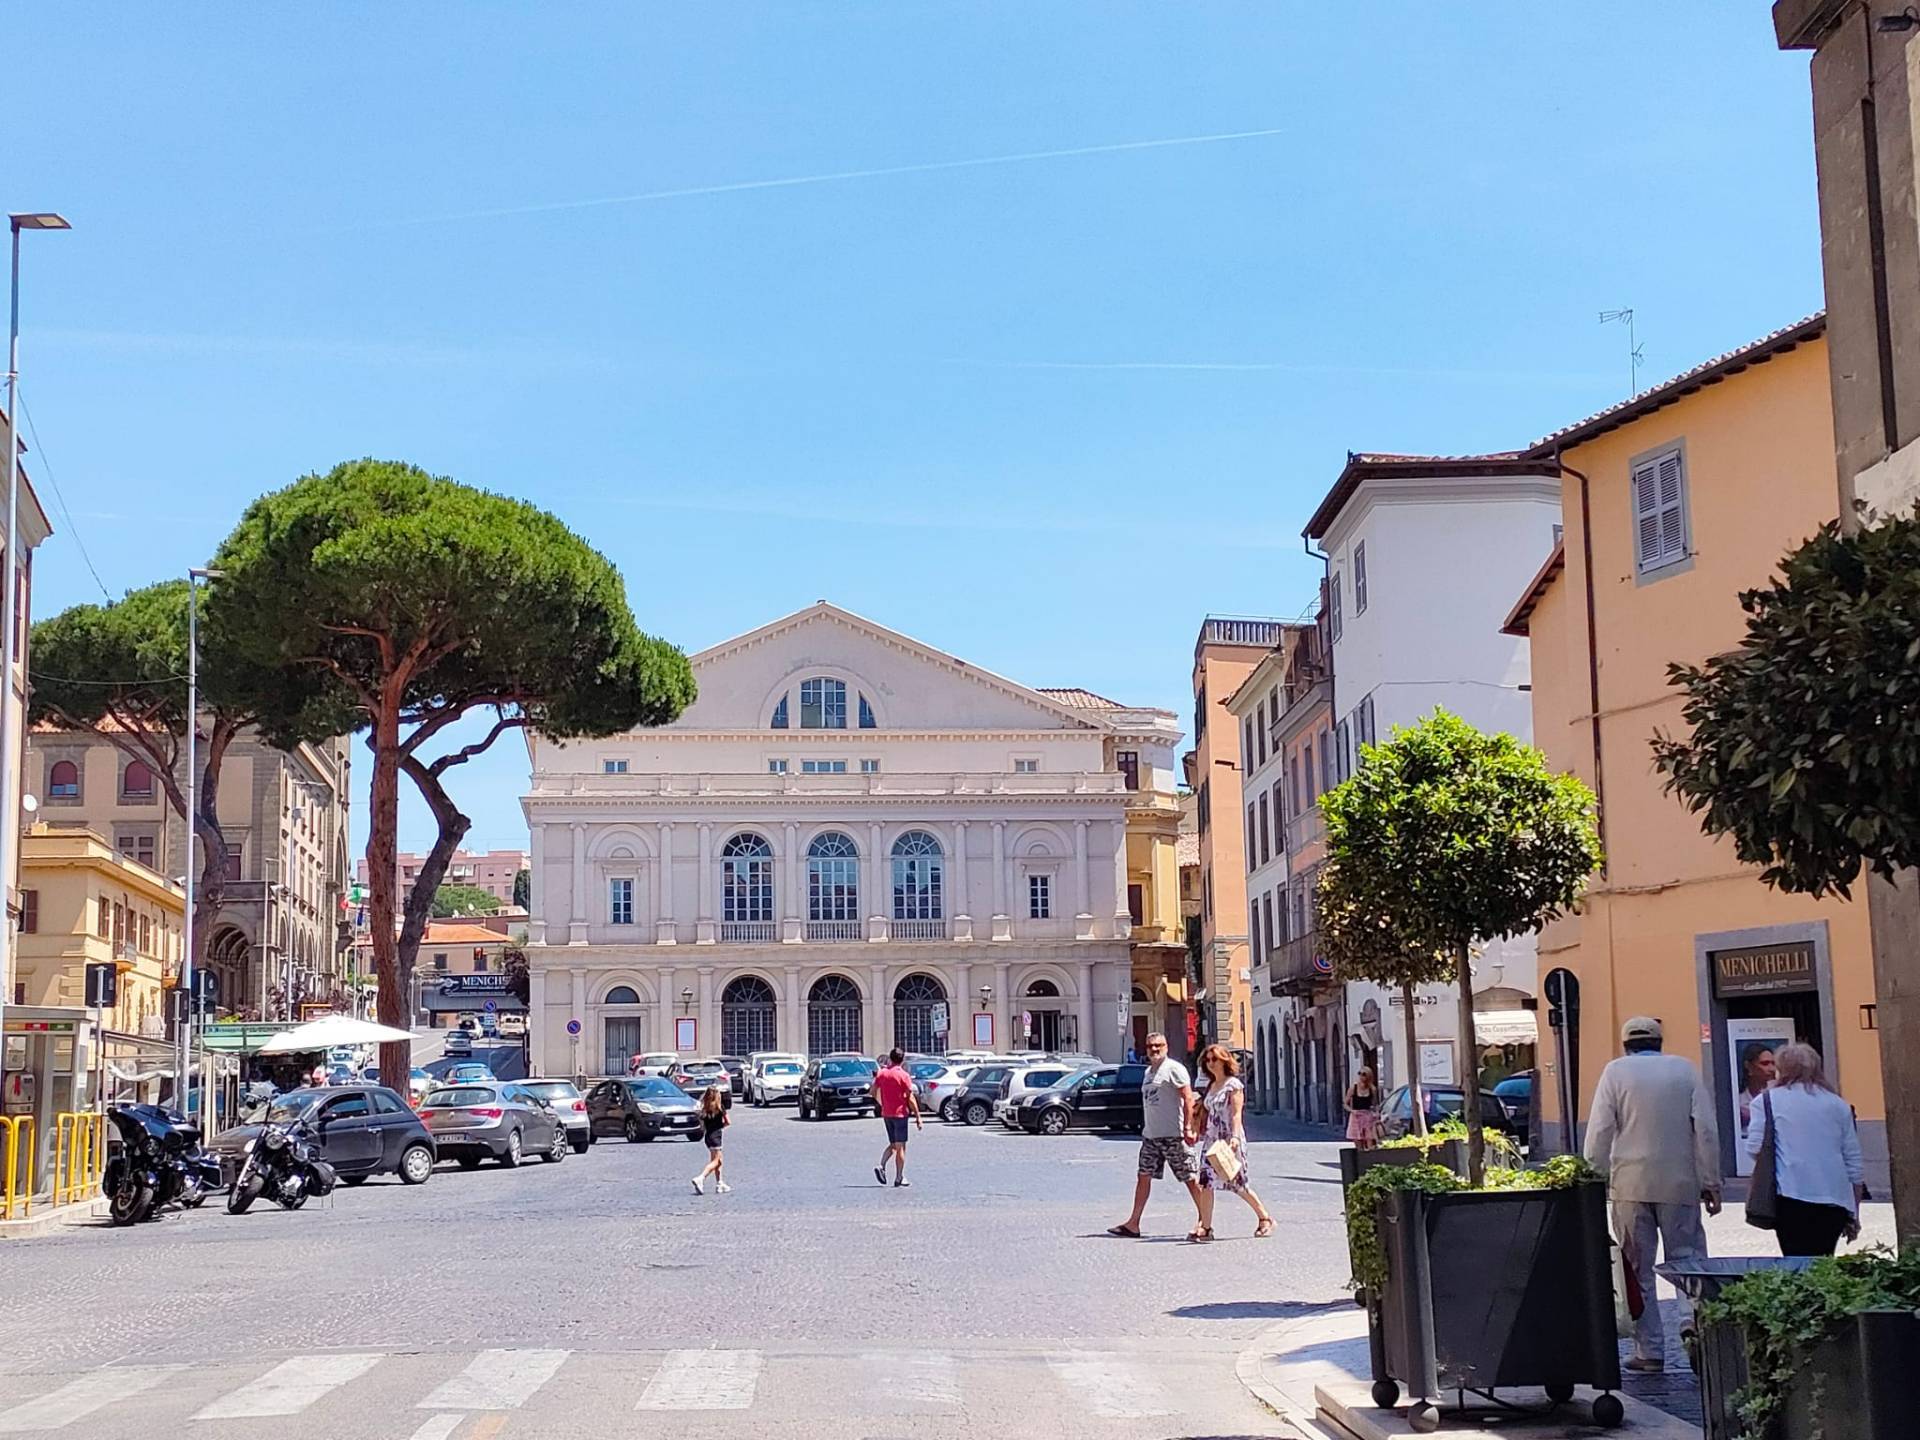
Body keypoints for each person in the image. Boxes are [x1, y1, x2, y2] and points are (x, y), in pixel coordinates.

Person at [1584, 1016, 1721, 1374]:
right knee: (1688, 1260)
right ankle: (1692, 1322)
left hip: (1630, 1183)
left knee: (1637, 1268)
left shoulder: (1615, 1072)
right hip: (1679, 1182)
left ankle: (1651, 1351)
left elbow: (1600, 1129)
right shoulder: (1685, 1070)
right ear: (1660, 1041)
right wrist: (1711, 1180)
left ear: (1626, 1043)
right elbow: (1705, 1128)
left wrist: (1591, 1177)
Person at [1741, 1042, 1863, 1257]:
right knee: (1824, 1262)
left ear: (1782, 1068)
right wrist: (1854, 1211)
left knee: (1796, 1262)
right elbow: (1853, 1162)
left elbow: (1755, 1148)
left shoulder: (1767, 1101)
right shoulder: (1837, 1104)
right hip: (1834, 1197)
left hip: (1791, 1194)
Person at [1108, 1032, 1206, 1239]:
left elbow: (1188, 1098)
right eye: (1151, 1046)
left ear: (1166, 1046)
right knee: (1143, 1176)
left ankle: (1204, 1221)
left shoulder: (1174, 1069)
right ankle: (1133, 1223)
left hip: (1174, 1135)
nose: (1154, 1049)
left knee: (1190, 1178)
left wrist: (1189, 1128)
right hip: (1151, 1136)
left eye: (1158, 1045)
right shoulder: (1148, 1073)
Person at [1193, 1044, 1274, 1240]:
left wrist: (1235, 1137)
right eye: (1208, 1060)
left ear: (1225, 1060)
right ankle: (1206, 1227)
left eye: (1215, 1059)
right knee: (1205, 1183)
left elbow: (1237, 1114)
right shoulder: (1211, 1086)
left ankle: (1265, 1218)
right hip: (1211, 1141)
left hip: (1229, 1139)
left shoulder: (1233, 1085)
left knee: (1237, 1183)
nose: (1211, 1063)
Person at [873, 1048, 922, 1187]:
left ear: (890, 1058)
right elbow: (910, 1097)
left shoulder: (882, 1074)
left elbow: (872, 1091)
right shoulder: (904, 1076)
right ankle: (899, 1177)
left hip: (887, 1114)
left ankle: (881, 1165)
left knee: (894, 1144)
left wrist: (881, 1103)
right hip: (900, 1114)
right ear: (902, 1059)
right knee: (900, 1147)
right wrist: (918, 1116)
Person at [691, 1084, 730, 1195]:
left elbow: (702, 1123)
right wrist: (720, 1126)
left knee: (718, 1160)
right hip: (716, 1136)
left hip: (708, 1137)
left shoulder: (705, 1108)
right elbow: (728, 1122)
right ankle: (701, 1178)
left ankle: (719, 1183)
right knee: (716, 1161)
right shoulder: (719, 1107)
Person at [1737, 1045, 1778, 1140]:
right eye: (1765, 1063)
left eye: (1773, 1063)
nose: (1772, 1069)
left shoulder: (1779, 1095)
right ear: (1749, 1066)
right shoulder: (1738, 1100)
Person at [1345, 1066, 1381, 1148]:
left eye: (1364, 1074)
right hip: (1356, 1117)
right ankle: (1360, 1158)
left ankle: (1369, 1159)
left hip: (1368, 1116)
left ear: (1369, 1076)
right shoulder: (1353, 1088)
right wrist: (1351, 1111)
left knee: (1369, 1140)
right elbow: (1345, 1103)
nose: (1361, 1076)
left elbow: (1375, 1104)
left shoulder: (1372, 1089)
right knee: (1358, 1142)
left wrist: (1376, 1113)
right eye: (1359, 1073)